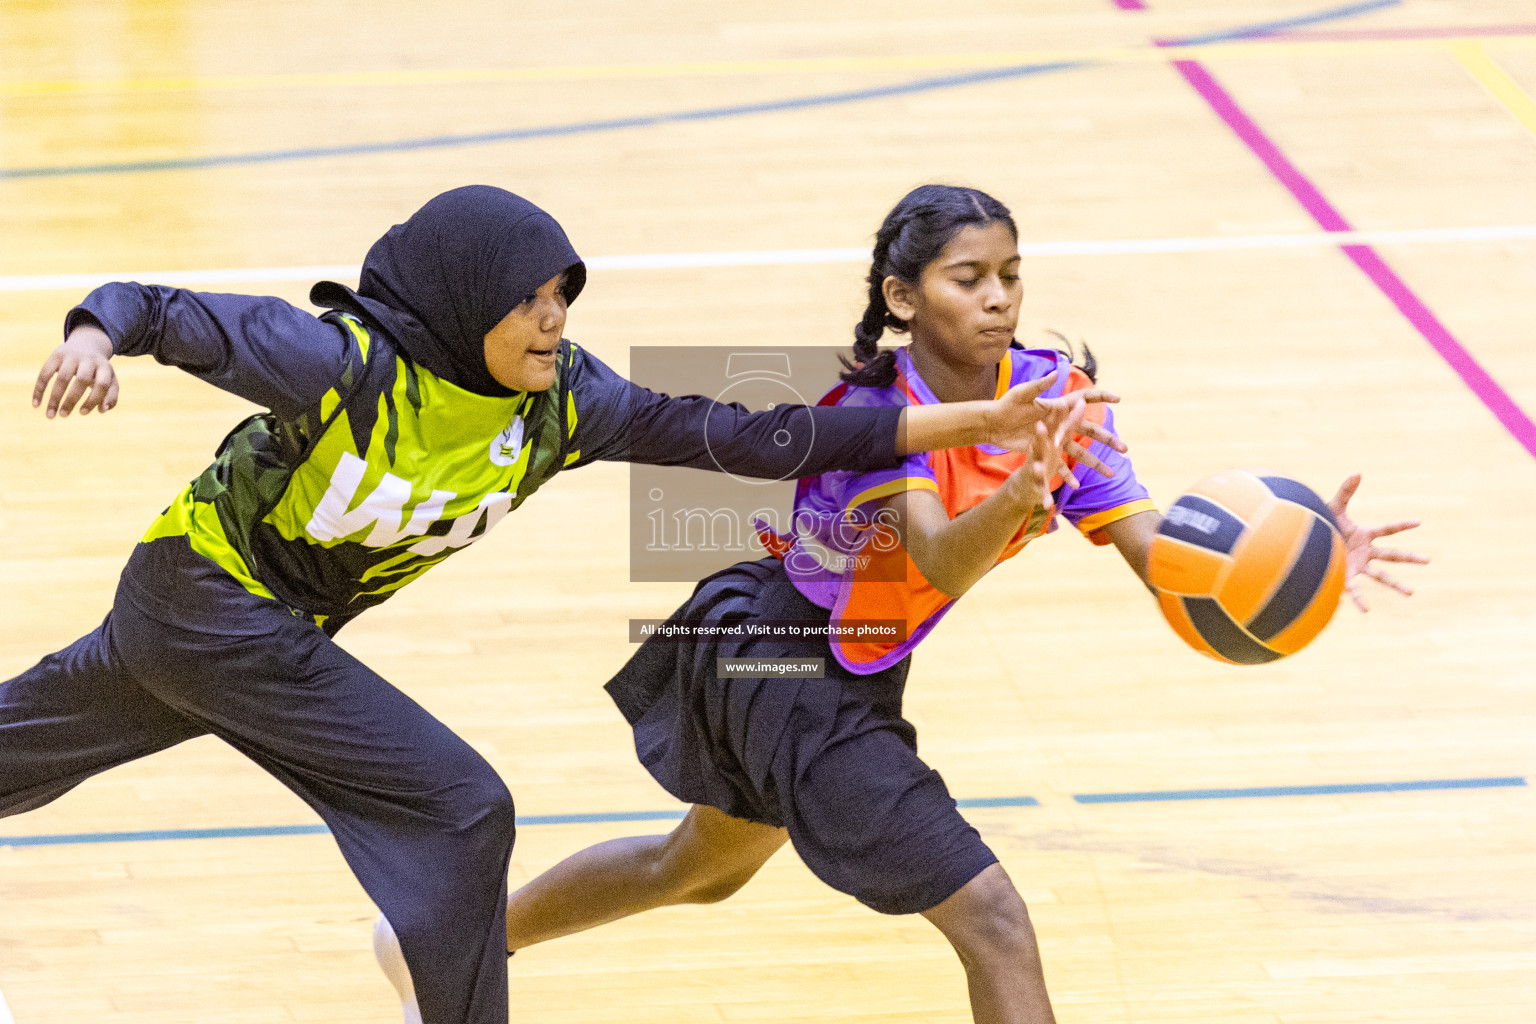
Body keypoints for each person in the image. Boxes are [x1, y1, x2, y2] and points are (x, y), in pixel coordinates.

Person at [2, 185, 1123, 1024]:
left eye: (560, 296)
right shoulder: (340, 361)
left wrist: (978, 426)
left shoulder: (561, 404)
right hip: (209, 603)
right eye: (527, 301)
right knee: (461, 807)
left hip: (230, 625)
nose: (551, 319)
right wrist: (92, 337)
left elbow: (753, 435)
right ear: (457, 306)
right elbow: (156, 307)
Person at [374, 184, 1426, 1023]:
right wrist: (1018, 489)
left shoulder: (1058, 396)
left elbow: (1159, 560)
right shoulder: (876, 414)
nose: (1000, 296)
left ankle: (448, 944)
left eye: (1012, 273)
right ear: (903, 298)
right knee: (995, 918)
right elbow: (933, 560)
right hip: (781, 656)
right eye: (968, 278)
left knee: (695, 867)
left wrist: (1293, 556)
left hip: (852, 661)